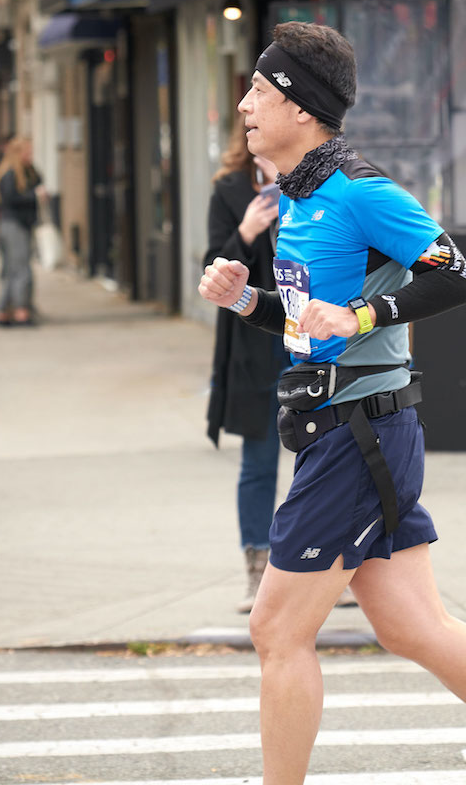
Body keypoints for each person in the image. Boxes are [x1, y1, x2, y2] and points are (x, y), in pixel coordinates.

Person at [197, 21, 466, 785]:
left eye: (257, 89)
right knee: (415, 626)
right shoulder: (299, 198)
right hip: (340, 432)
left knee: (276, 628)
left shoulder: (360, 191)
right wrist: (246, 300)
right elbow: (309, 324)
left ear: (299, 106)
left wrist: (361, 316)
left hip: (361, 435)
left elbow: (457, 275)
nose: (244, 105)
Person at [204, 122, 292, 613]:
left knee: (324, 462)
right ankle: (258, 572)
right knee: (259, 461)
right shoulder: (230, 190)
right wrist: (246, 231)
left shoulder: (317, 182)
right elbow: (211, 267)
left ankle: (328, 570)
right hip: (257, 346)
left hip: (312, 339)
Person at [0, 137, 43, 326]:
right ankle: (20, 311)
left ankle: (5, 311)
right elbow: (10, 198)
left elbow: (39, 180)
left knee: (11, 270)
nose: (31, 155)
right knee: (20, 270)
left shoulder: (25, 171)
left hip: (13, 225)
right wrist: (35, 196)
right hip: (14, 225)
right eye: (28, 152)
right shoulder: (10, 174)